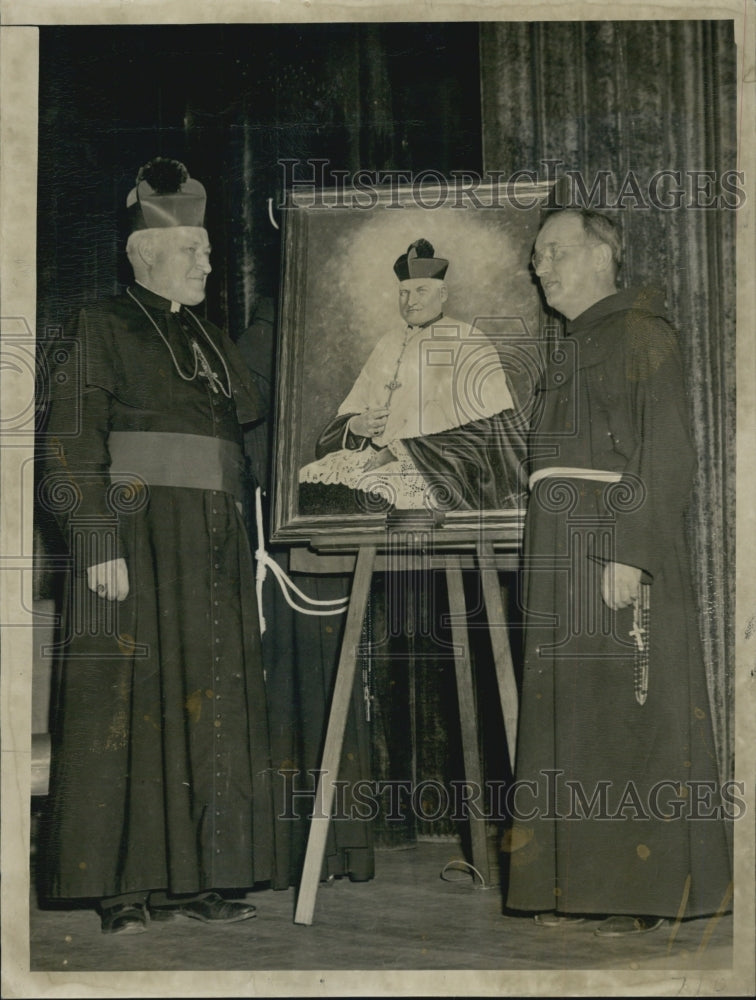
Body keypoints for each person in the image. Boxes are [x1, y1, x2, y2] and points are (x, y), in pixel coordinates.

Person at [38, 157, 278, 934]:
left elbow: (251, 423)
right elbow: (69, 443)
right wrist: (96, 540)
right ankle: (125, 890)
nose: (208, 262)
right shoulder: (97, 326)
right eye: (193, 251)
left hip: (211, 549)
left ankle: (202, 879)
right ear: (146, 255)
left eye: (207, 251)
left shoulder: (209, 339)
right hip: (134, 541)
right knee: (132, 711)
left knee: (210, 708)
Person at [505, 209, 732, 935]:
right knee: (575, 719)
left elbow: (665, 452)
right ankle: (582, 889)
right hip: (561, 551)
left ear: (605, 256)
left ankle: (634, 894)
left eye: (557, 252)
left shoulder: (640, 332)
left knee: (620, 717)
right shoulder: (576, 344)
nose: (542, 267)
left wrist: (630, 551)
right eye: (537, 256)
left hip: (608, 545)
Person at [298, 238, 527, 515]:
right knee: (311, 484)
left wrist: (402, 451)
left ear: (442, 294)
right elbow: (353, 407)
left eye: (420, 290)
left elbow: (486, 429)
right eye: (403, 293)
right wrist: (357, 425)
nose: (410, 301)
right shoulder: (386, 343)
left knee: (369, 499)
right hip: (373, 457)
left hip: (437, 470)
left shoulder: (468, 340)